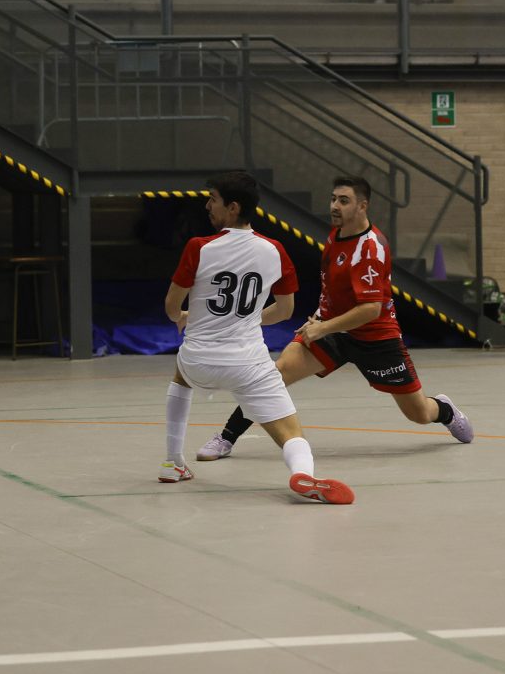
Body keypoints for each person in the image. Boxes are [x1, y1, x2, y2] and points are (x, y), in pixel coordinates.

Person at [197, 176, 473, 461]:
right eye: (333, 199)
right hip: (334, 331)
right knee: (272, 377)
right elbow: (332, 290)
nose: (335, 206)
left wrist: (323, 327)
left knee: (418, 413)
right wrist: (319, 318)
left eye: (344, 201)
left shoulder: (370, 249)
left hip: (377, 339)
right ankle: (226, 437)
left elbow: (371, 309)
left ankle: (446, 410)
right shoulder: (335, 236)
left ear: (362, 206)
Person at [160, 172, 354, 505]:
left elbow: (170, 308)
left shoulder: (199, 247)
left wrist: (185, 316)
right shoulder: (274, 250)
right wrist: (244, 320)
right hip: (248, 365)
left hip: (198, 361)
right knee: (290, 432)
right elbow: (284, 310)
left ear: (233, 207)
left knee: (181, 375)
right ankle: (302, 473)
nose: (207, 206)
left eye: (213, 200)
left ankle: (173, 462)